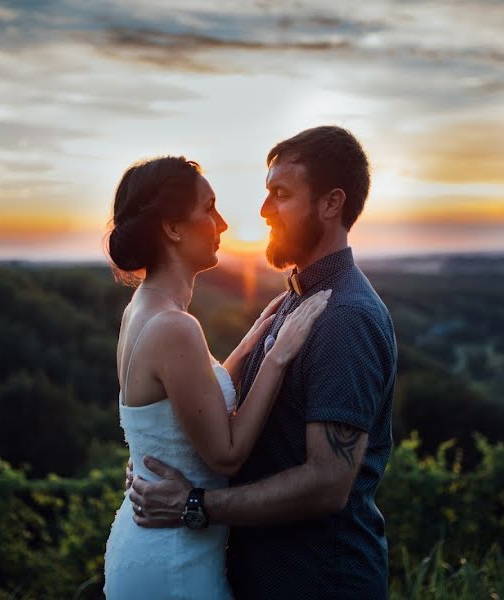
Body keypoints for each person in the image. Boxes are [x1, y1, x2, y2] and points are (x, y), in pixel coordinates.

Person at [129, 126, 397, 598]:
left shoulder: (343, 318)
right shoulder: (297, 301)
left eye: (281, 194)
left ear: (331, 204)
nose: (263, 210)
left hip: (317, 581)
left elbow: (327, 483)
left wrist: (196, 504)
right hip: (261, 576)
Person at [102, 155, 331, 599]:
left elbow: (192, 399)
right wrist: (278, 356)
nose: (222, 223)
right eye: (208, 208)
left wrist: (258, 333)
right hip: (174, 562)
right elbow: (225, 455)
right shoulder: (175, 327)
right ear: (172, 228)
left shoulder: (143, 310)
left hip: (153, 545)